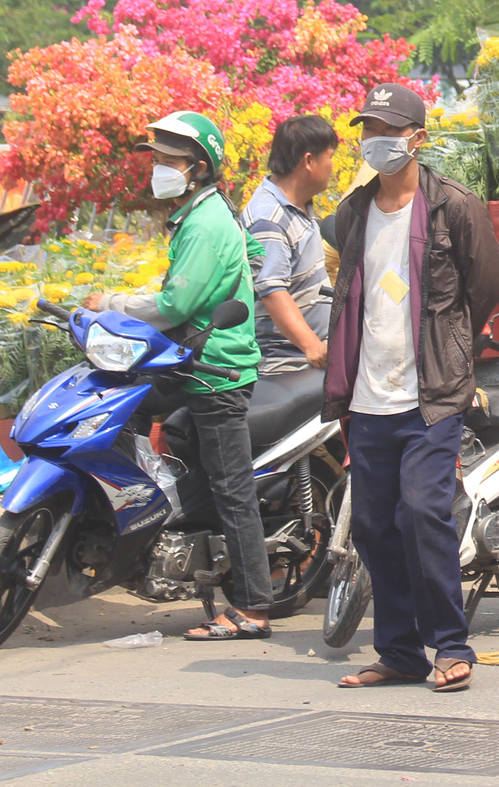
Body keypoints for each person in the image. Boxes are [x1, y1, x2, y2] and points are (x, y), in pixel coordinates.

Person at [324, 83, 499, 692]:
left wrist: (452, 351)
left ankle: (452, 645)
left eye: (387, 131)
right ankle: (399, 652)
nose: (376, 142)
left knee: (424, 512)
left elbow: (486, 291)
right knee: (374, 525)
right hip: (369, 396)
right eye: (367, 130)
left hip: (432, 393)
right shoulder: (353, 212)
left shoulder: (455, 206)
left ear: (418, 139)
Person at [86, 110, 267, 640]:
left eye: (170, 161)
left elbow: (174, 303)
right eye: (157, 159)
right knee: (123, 411)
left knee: (234, 490)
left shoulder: (207, 222)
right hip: (191, 359)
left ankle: (254, 608)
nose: (159, 168)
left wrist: (110, 304)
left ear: (199, 168)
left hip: (217, 370)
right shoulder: (198, 215)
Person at [246, 114, 340, 375]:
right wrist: (311, 345)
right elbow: (272, 290)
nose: (333, 165)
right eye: (330, 156)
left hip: (305, 361)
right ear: (309, 161)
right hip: (287, 365)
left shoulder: (296, 207)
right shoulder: (270, 219)